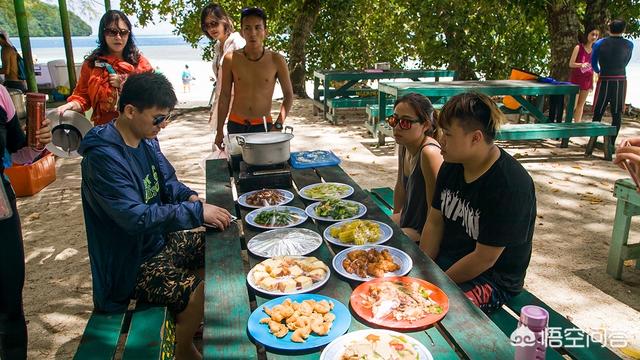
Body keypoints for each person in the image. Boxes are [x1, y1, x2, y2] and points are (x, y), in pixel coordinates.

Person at [77, 72, 232, 360]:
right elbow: (135, 218)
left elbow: (167, 181)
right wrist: (196, 212)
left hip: (156, 244)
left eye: (167, 118)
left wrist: (190, 198)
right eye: (158, 118)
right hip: (129, 263)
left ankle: (187, 322)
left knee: (216, 245)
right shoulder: (103, 159)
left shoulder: (146, 139)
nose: (163, 125)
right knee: (195, 292)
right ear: (130, 111)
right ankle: (183, 350)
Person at [419, 92, 536, 314]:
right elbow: (434, 222)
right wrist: (425, 269)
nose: (440, 139)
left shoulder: (511, 184)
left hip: (491, 279)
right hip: (449, 261)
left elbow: (484, 259)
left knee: (433, 312)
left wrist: (435, 284)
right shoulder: (451, 165)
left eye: (449, 134)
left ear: (476, 138)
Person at [0, 84, 52, 359]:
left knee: (9, 300)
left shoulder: (0, 95)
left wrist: (38, 142)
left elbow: (16, 151)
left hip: (1, 208)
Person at [214, 7, 293, 149]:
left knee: (264, 167)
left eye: (258, 28)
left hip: (263, 125)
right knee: (237, 167)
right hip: (236, 124)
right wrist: (219, 130)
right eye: (247, 28)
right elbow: (225, 95)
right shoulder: (231, 59)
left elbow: (288, 95)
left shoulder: (277, 60)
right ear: (242, 32)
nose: (253, 33)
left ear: (265, 31)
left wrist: (279, 124)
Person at [56, 10, 153, 126]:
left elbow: (153, 94)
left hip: (137, 129)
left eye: (123, 32)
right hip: (105, 130)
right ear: (103, 34)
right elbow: (82, 97)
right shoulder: (92, 64)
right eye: (112, 32)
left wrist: (124, 83)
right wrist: (70, 105)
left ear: (129, 34)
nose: (118, 37)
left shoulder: (139, 62)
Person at [388, 93, 443, 242]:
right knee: (363, 228)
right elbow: (400, 186)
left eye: (406, 122)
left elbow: (435, 212)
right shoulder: (404, 145)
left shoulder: (429, 153)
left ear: (425, 125)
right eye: (394, 120)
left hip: (422, 231)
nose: (397, 127)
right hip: (408, 220)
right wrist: (396, 218)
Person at [201, 3, 245, 130]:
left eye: (214, 23)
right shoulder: (218, 46)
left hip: (238, 108)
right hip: (223, 105)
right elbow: (220, 84)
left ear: (224, 21)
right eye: (207, 25)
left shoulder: (237, 43)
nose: (211, 29)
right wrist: (214, 111)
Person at [591, 19, 634, 143]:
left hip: (604, 79)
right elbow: (626, 61)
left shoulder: (599, 43)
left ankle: (592, 142)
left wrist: (598, 71)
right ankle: (611, 143)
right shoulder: (629, 44)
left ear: (609, 29)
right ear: (624, 30)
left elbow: (593, 62)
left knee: (598, 111)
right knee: (617, 113)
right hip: (620, 80)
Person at [568, 27, 600, 122]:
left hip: (587, 80)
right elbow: (571, 64)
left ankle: (576, 126)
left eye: (596, 35)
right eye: (592, 34)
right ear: (587, 35)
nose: (594, 37)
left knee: (581, 105)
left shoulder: (595, 51)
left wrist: (594, 81)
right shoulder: (578, 47)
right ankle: (567, 124)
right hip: (576, 80)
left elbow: (594, 66)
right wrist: (581, 64)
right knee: (572, 105)